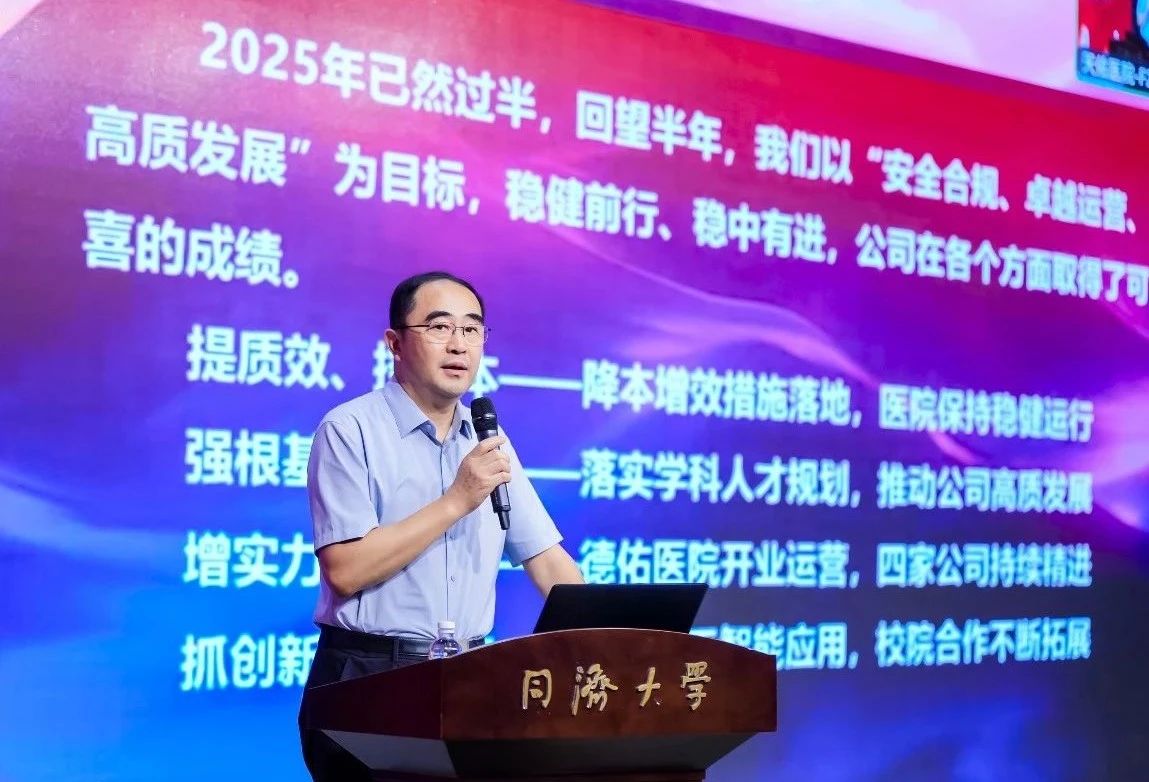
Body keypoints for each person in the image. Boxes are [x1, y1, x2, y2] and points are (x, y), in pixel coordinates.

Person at [297, 271, 585, 782]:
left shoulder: (487, 439)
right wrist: (457, 500)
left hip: (470, 681)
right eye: (439, 327)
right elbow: (345, 570)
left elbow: (547, 560)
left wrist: (616, 640)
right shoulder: (349, 429)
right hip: (370, 678)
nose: (459, 345)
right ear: (395, 343)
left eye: (472, 329)